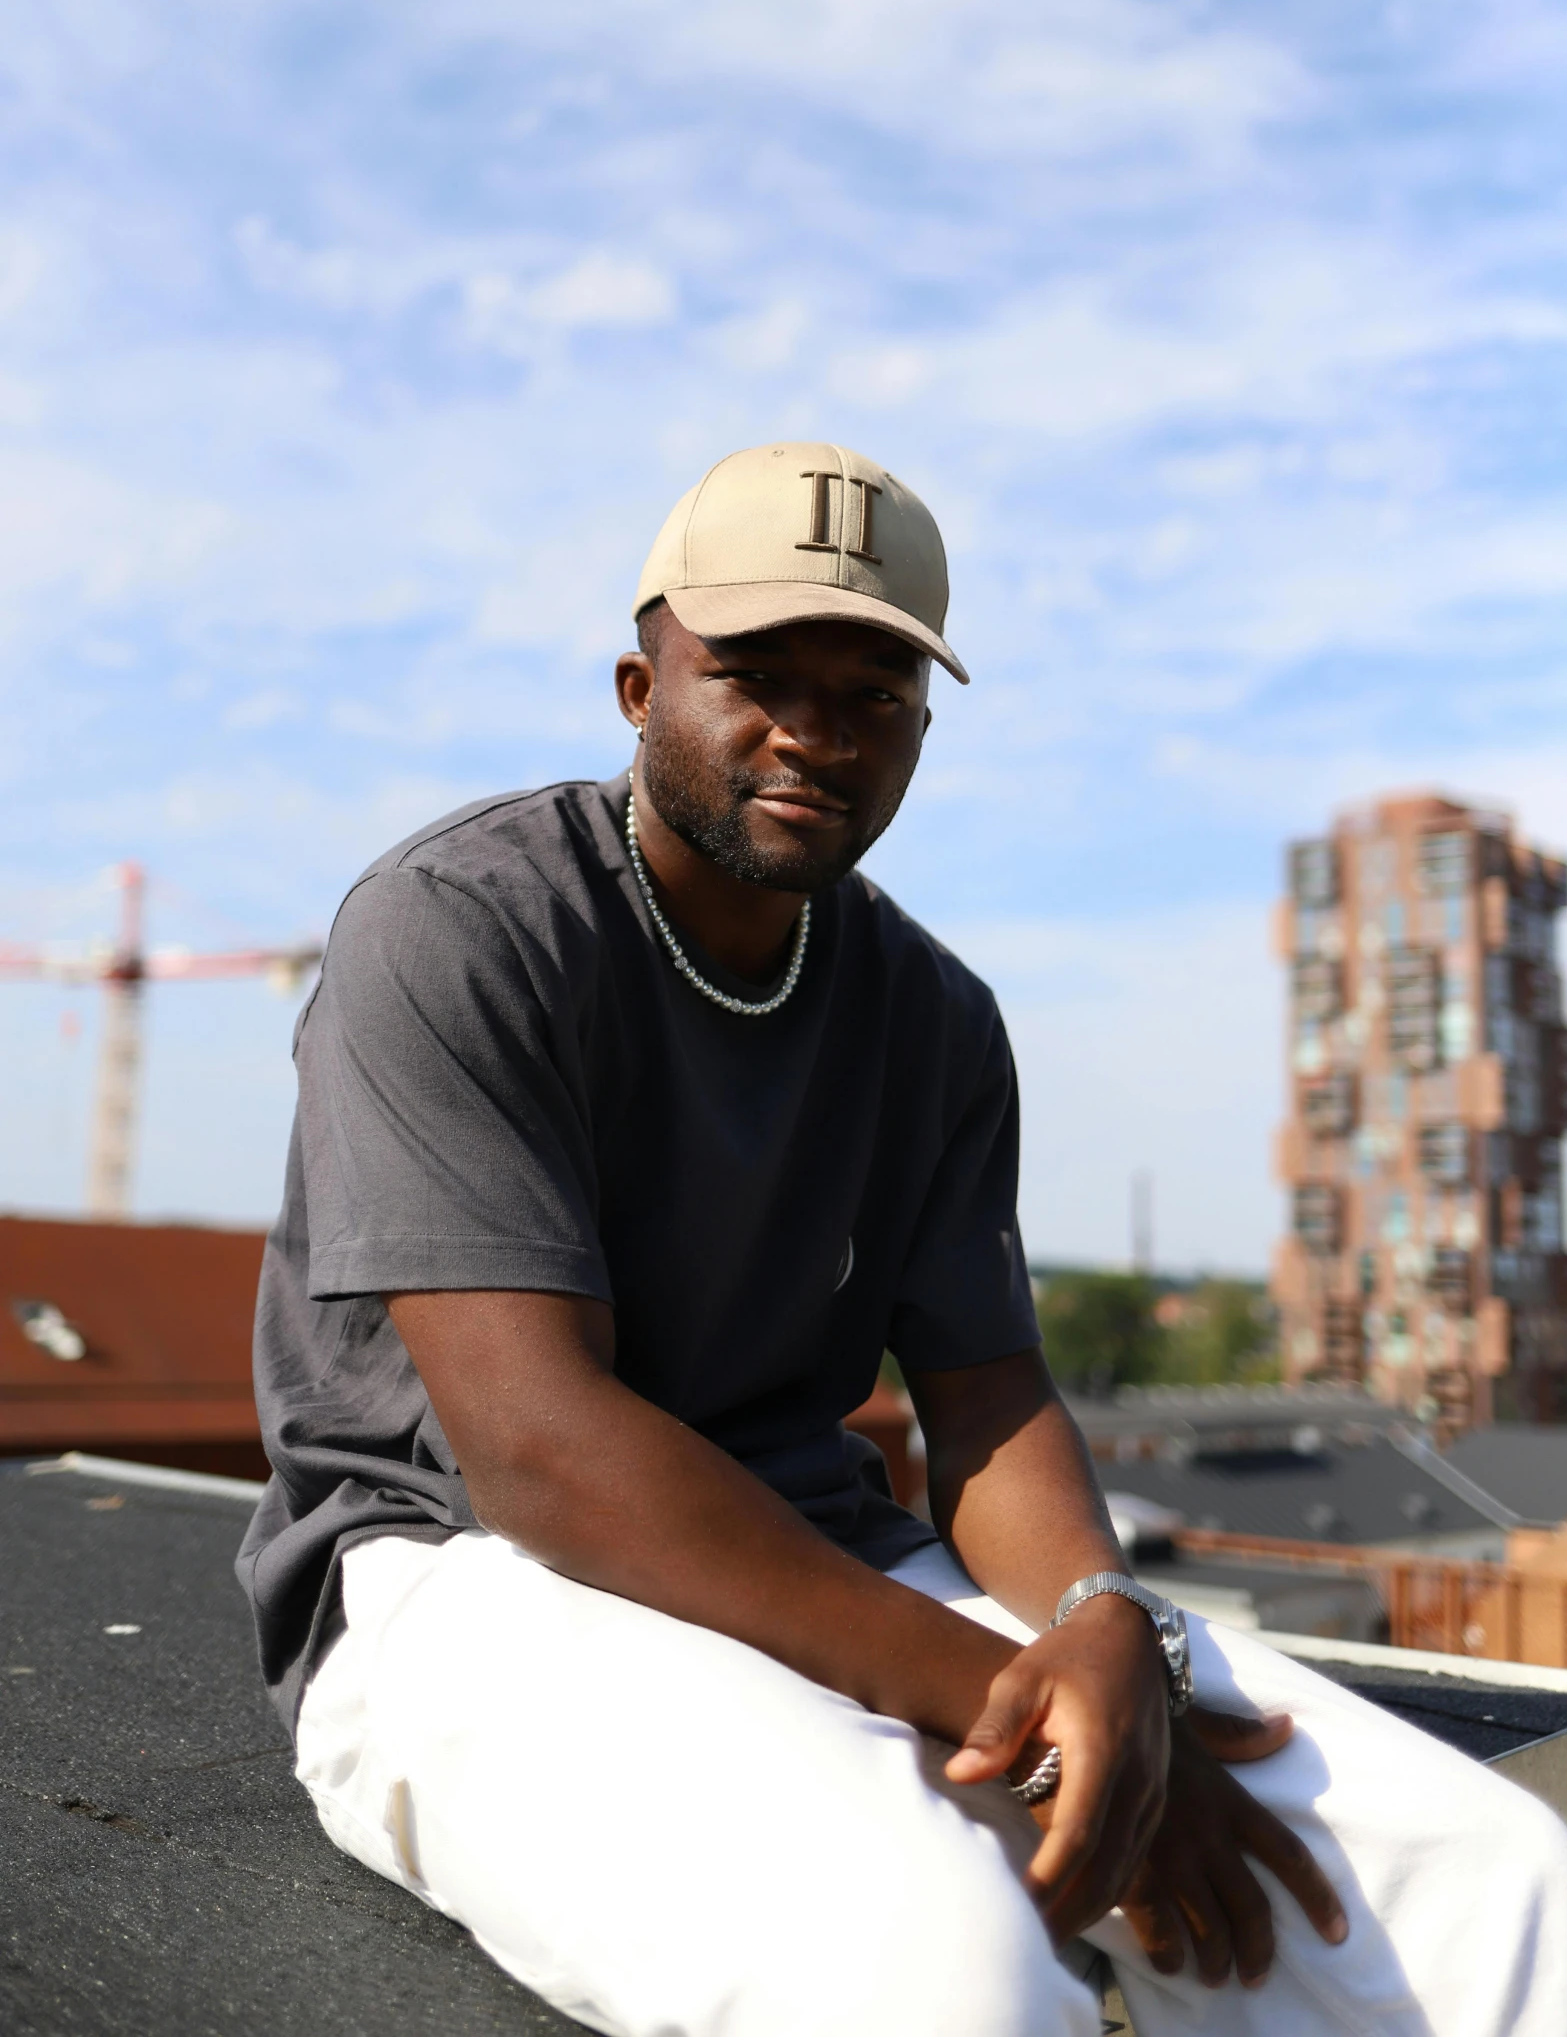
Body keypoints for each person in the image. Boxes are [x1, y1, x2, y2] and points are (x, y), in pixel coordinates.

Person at [239, 442, 1567, 2037]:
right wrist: (1024, 1701)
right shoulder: (463, 923)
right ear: (635, 683)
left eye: (873, 691)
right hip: (456, 1582)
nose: (813, 728)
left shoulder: (933, 1013)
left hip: (837, 1569)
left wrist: (1099, 1625)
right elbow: (540, 1449)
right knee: (938, 1965)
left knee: (1494, 1882)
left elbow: (989, 1397)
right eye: (753, 671)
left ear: (921, 730)